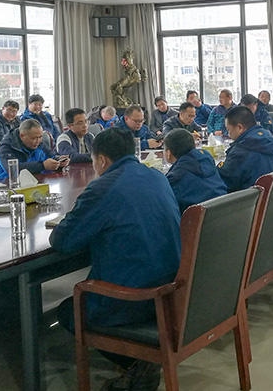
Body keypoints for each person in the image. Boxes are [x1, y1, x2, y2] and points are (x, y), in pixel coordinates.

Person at [50, 127, 180, 391]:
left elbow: (63, 242)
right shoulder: (157, 176)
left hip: (134, 298)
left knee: (68, 311)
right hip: (173, 291)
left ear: (101, 160)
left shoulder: (103, 187)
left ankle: (137, 362)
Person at [218, 106, 273, 192]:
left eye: (228, 130)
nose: (228, 134)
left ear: (239, 128)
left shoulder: (240, 153)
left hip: (252, 199)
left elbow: (222, 182)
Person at [163, 129, 227, 213]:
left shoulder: (175, 178)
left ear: (168, 153)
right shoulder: (206, 159)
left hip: (200, 218)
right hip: (224, 210)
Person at [0, 119, 67, 180]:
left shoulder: (38, 143)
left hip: (29, 182)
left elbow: (51, 156)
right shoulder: (6, 147)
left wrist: (59, 160)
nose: (38, 141)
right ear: (22, 136)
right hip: (2, 185)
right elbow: (13, 170)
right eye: (34, 138)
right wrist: (42, 165)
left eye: (40, 137)